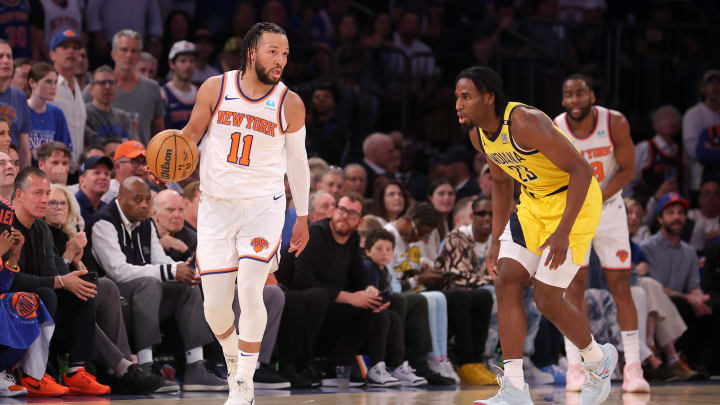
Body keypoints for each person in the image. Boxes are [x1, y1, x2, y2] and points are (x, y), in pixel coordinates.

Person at [172, 22, 310, 405]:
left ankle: (244, 383)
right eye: (273, 52)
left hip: (263, 207)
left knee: (251, 290)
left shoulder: (290, 102)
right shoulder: (216, 87)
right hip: (216, 208)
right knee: (215, 306)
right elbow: (191, 134)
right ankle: (235, 363)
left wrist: (303, 214)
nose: (280, 60)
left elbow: (298, 162)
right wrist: (169, 155)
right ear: (251, 52)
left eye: (285, 54)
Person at [456, 66, 612, 405]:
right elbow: (500, 182)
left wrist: (562, 231)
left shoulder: (525, 121)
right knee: (507, 279)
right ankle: (514, 389)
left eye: (466, 97)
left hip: (576, 201)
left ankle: (598, 362)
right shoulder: (478, 135)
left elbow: (582, 170)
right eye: (457, 97)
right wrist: (496, 241)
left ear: (489, 97)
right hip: (534, 204)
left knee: (546, 298)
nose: (458, 104)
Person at [553, 74, 649, 393]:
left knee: (621, 285)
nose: (575, 100)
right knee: (573, 285)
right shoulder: (555, 126)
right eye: (569, 95)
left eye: (581, 93)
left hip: (608, 210)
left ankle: (633, 367)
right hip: (574, 214)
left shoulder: (614, 122)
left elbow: (627, 168)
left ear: (592, 95)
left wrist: (597, 196)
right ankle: (576, 366)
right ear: (563, 100)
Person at [88, 176, 227, 391]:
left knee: (185, 287)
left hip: (145, 298)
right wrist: (170, 270)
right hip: (114, 302)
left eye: (146, 200)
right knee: (150, 283)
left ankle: (195, 366)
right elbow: (118, 271)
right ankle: (145, 366)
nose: (144, 205)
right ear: (120, 198)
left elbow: (159, 259)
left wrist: (183, 270)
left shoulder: (146, 223)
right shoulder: (103, 222)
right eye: (137, 199)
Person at [9, 167, 110, 396]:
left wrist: (69, 275)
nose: (45, 200)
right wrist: (61, 281)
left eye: (47, 193)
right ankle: (32, 374)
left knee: (85, 285)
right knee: (47, 294)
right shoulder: (6, 226)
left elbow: (53, 272)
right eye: (38, 193)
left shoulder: (42, 228)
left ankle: (75, 371)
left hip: (36, 301)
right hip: (10, 301)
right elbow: (11, 279)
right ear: (19, 195)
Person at [640, 192, 720, 375]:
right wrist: (690, 298)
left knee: (711, 308)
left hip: (681, 300)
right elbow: (655, 288)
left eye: (681, 213)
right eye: (671, 213)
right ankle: (672, 360)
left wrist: (700, 298)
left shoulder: (689, 251)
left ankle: (700, 363)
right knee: (681, 304)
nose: (677, 217)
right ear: (660, 219)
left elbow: (693, 285)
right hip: (658, 302)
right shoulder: (647, 248)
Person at [104, 30, 165, 145]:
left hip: (142, 159)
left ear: (139, 56)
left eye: (134, 51)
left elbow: (159, 134)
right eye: (124, 50)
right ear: (113, 54)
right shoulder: (97, 87)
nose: (129, 55)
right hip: (106, 160)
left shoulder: (152, 88)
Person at [49, 30, 85, 172]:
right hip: (54, 166)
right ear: (52, 54)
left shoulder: (78, 86)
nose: (71, 51)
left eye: (75, 48)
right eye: (64, 47)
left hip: (75, 168)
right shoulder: (49, 86)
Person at [682, 70, 720, 194]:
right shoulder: (693, 114)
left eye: (719, 82)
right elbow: (694, 150)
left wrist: (711, 149)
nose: (715, 86)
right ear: (703, 88)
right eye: (711, 83)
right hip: (699, 181)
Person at [27, 62, 72, 164]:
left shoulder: (57, 113)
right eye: (48, 82)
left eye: (55, 82)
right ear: (32, 82)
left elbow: (66, 149)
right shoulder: (21, 110)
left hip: (50, 174)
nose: (53, 87)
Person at [85, 65, 136, 145]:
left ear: (116, 87)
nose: (108, 86)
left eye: (111, 83)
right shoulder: (84, 114)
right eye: (102, 83)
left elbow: (134, 145)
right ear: (91, 89)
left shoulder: (123, 117)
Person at [0, 40, 32, 168]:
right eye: (0, 56)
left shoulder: (20, 97)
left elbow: (24, 148)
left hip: (11, 169)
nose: (6, 60)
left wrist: (24, 182)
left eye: (9, 56)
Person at [161, 41, 197, 130]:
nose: (188, 65)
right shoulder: (162, 93)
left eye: (192, 61)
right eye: (183, 61)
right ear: (172, 64)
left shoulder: (201, 93)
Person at [101, 140, 146, 204]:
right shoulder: (109, 191)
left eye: (144, 163)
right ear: (118, 166)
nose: (142, 168)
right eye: (135, 162)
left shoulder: (147, 193)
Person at [75, 155, 112, 223]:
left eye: (107, 174)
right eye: (97, 173)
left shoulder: (106, 208)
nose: (103, 177)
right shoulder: (73, 206)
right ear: (82, 181)